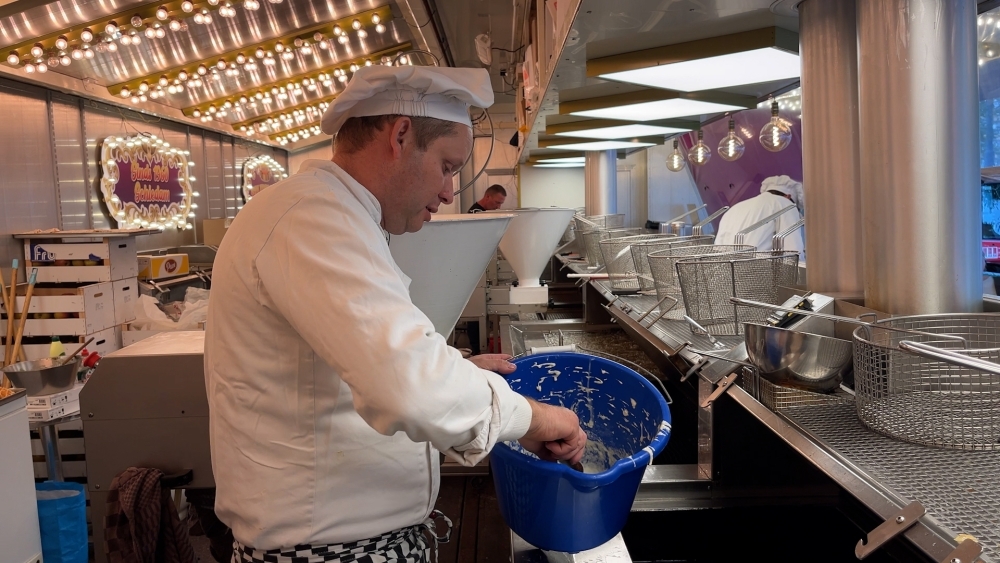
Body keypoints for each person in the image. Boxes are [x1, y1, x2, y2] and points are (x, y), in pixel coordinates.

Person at [204, 66, 587, 563]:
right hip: (328, 551)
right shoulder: (311, 218)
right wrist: (536, 418)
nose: (452, 192)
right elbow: (409, 390)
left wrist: (454, 375)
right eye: (448, 166)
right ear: (401, 136)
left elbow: (368, 370)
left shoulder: (338, 215)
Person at [715, 175, 804, 256]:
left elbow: (718, 248)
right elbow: (793, 250)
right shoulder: (786, 204)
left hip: (726, 270)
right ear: (788, 196)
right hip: (760, 270)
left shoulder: (735, 208)